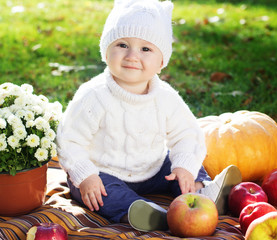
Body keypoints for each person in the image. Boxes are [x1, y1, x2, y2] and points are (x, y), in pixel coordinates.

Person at [56, 0, 242, 232]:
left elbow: (186, 133)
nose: (132, 56)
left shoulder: (165, 97)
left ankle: (202, 195)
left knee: (185, 163)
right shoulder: (93, 96)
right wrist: (85, 175)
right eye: (122, 45)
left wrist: (183, 167)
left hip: (154, 167)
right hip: (104, 172)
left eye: (145, 49)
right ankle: (144, 213)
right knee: (96, 192)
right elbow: (69, 139)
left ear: (161, 61)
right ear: (106, 51)